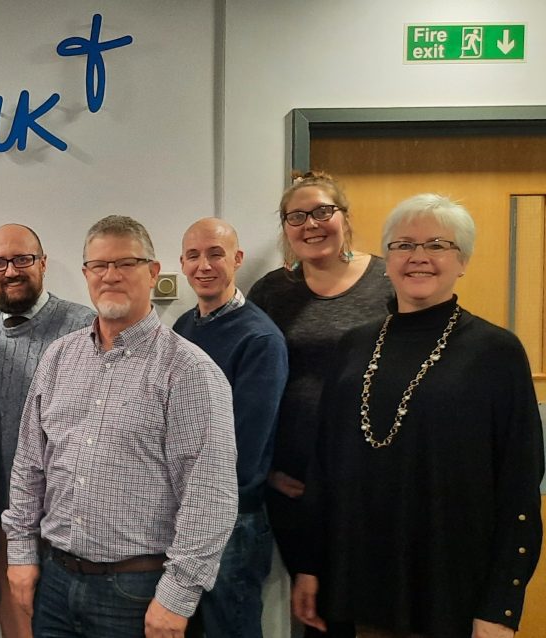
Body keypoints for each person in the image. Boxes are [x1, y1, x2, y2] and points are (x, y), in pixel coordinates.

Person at [291, 195, 543, 637]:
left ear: (462, 261)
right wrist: (309, 565)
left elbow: (519, 484)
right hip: (356, 583)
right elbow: (324, 466)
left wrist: (501, 605)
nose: (418, 257)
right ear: (387, 260)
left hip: (453, 590)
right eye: (404, 245)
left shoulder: (497, 352)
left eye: (438, 245)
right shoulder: (353, 347)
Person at [3, 215, 237, 638]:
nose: (110, 275)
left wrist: (177, 595)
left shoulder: (189, 371)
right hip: (55, 581)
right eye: (99, 265)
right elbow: (29, 465)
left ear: (153, 272)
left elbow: (209, 493)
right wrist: (20, 552)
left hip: (137, 592)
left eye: (126, 263)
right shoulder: (58, 358)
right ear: (86, 275)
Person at [246, 172, 391, 582]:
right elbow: (248, 387)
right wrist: (265, 468)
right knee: (311, 601)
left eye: (323, 211)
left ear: (344, 217)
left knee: (372, 593)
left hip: (371, 477)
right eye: (296, 216)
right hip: (293, 481)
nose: (310, 224)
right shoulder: (272, 291)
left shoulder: (387, 282)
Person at [0, 223, 94, 638]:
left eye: (22, 259)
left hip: (72, 525)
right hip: (6, 519)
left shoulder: (85, 325)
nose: (11, 271)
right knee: (19, 627)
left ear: (43, 263)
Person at [172, 218, 288, 637]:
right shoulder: (184, 327)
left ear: (237, 259)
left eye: (215, 254)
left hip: (232, 519)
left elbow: (245, 450)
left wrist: (196, 503)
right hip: (185, 513)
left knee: (231, 628)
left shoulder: (259, 339)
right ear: (182, 264)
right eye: (193, 256)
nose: (203, 265)